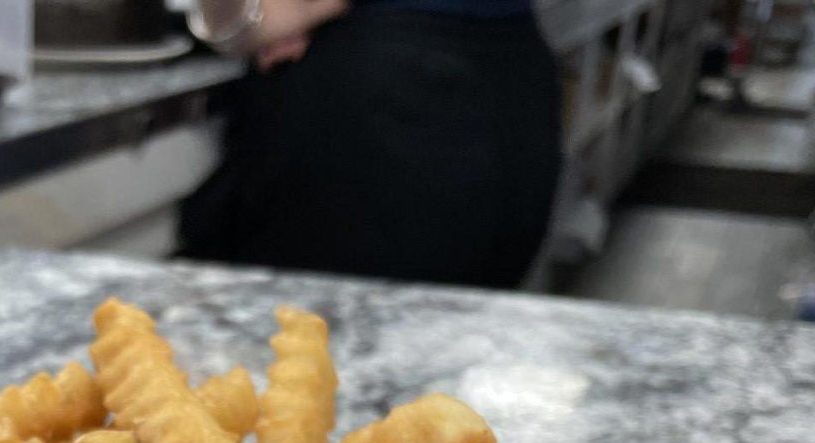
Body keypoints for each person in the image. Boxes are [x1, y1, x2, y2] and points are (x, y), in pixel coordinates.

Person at [181, 0, 564, 288]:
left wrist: (278, 13)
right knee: (461, 353)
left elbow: (249, 20)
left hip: (384, 102)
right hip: (512, 80)